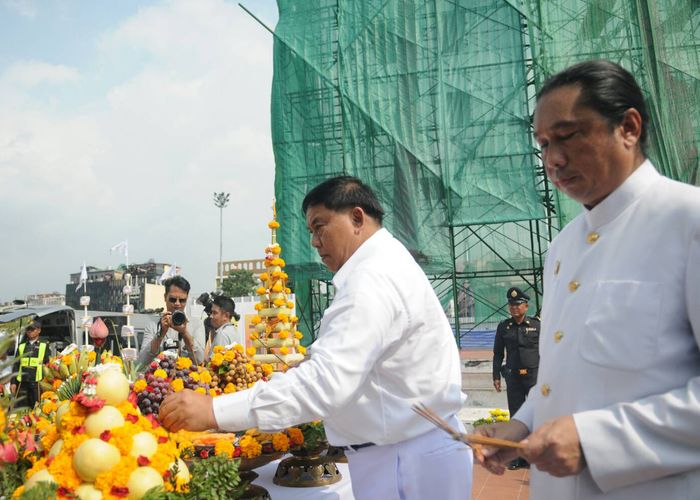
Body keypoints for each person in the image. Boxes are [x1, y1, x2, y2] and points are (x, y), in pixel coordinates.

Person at [160, 176, 473, 499]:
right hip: (405, 449)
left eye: (319, 226)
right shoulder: (384, 263)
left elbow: (326, 383)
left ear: (356, 218)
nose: (314, 241)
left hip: (405, 459)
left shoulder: (371, 280)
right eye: (310, 231)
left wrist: (215, 411)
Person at [475, 59, 700, 499]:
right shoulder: (562, 247)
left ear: (628, 128)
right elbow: (563, 378)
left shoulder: (687, 222)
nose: (553, 159)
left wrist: (597, 441)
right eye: (542, 144)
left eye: (567, 136)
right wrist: (520, 425)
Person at [492, 286, 540, 470]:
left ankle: (532, 455)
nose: (515, 308)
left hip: (534, 376)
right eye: (512, 305)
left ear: (526, 306)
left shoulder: (537, 325)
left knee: (536, 414)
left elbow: (546, 350)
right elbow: (498, 353)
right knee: (517, 416)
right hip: (513, 377)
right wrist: (496, 375)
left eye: (518, 305)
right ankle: (517, 456)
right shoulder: (504, 327)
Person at [138, 276, 205, 366]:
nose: (177, 304)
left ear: (187, 299)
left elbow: (200, 359)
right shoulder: (153, 326)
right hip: (160, 377)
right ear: (165, 297)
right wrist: (160, 334)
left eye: (182, 300)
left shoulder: (196, 324)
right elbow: (142, 361)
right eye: (173, 299)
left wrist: (185, 333)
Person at [11, 321, 48, 409]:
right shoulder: (21, 346)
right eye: (28, 329)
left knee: (37, 410)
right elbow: (16, 365)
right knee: (20, 409)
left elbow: (48, 364)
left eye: (32, 329)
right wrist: (13, 382)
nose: (29, 331)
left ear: (39, 330)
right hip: (22, 384)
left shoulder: (44, 345)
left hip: (37, 384)